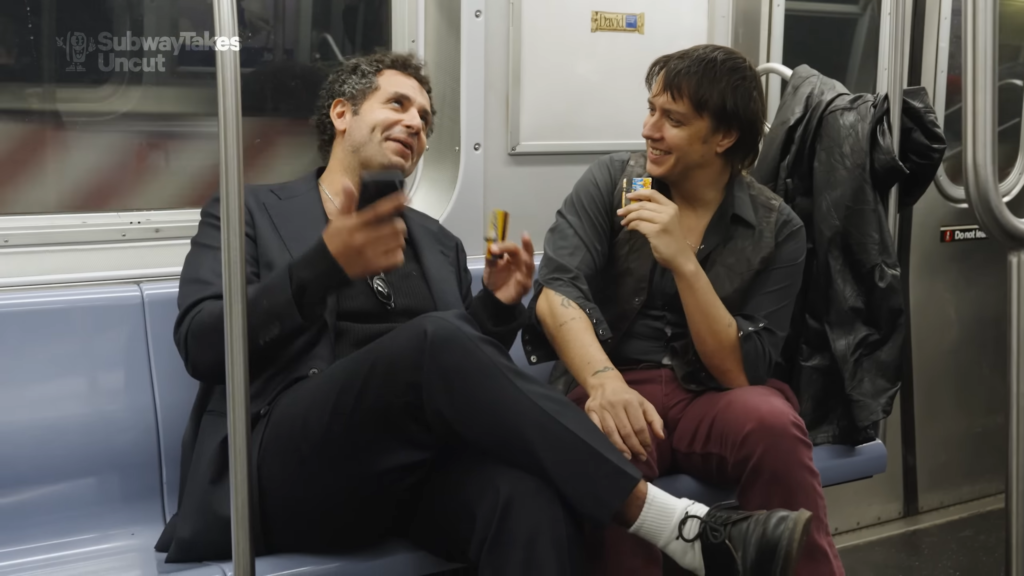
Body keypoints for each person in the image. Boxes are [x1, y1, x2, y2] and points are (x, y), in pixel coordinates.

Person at [155, 50, 813, 576]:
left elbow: (458, 378)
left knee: (528, 504)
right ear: (341, 115)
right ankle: (675, 524)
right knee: (432, 339)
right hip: (290, 463)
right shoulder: (250, 211)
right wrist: (324, 263)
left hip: (406, 472)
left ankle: (673, 526)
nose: (416, 122)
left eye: (426, 117)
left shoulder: (435, 243)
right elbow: (203, 344)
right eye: (398, 104)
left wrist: (497, 311)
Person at [526, 44, 845, 576]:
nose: (650, 129)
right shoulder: (612, 182)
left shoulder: (778, 227)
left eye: (672, 119)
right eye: (651, 110)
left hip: (711, 395)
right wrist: (605, 382)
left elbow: (741, 370)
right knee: (608, 443)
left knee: (772, 422)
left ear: (723, 137)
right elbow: (557, 291)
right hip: (617, 377)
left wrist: (683, 263)